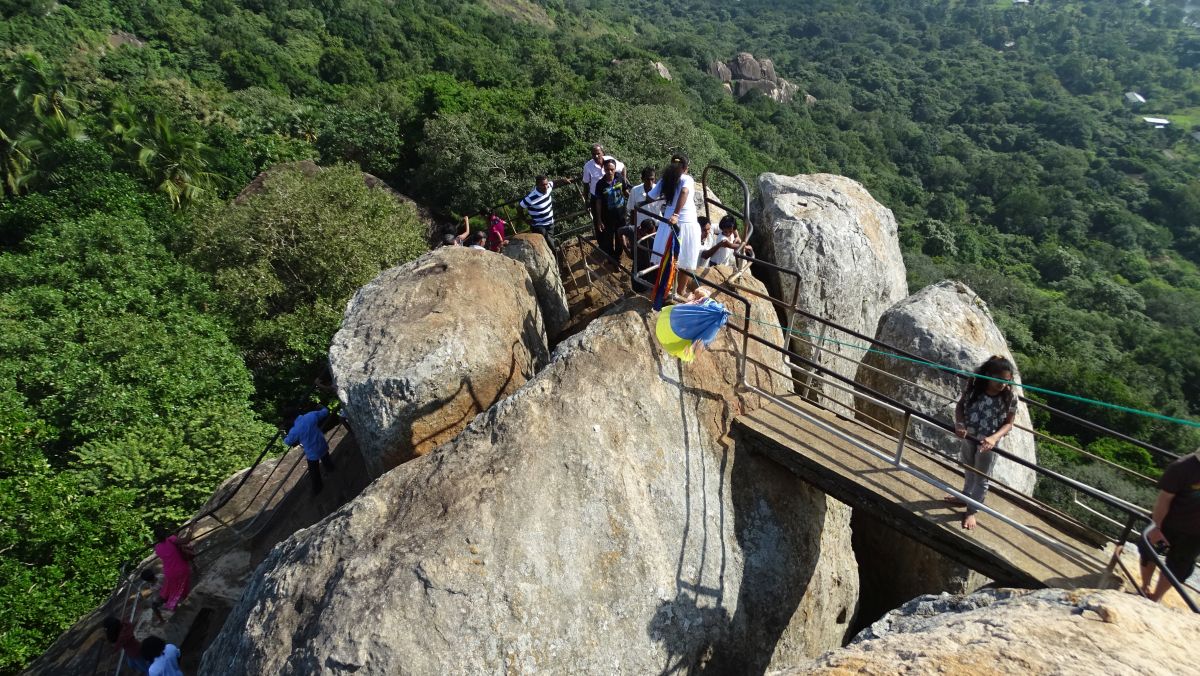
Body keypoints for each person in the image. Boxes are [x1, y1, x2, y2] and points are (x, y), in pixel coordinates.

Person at [944, 356, 1017, 530]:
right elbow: (961, 406)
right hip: (969, 436)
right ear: (987, 375)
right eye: (998, 379)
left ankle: (972, 510)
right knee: (968, 468)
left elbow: (1009, 424)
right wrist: (960, 423)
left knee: (982, 477)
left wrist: (993, 438)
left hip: (987, 443)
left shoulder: (1010, 397)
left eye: (1006, 381)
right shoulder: (975, 387)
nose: (1002, 384)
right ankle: (965, 496)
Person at [1137, 450, 1200, 602]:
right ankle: (1144, 587)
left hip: (1195, 533)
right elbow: (1164, 499)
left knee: (1179, 566)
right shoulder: (1183, 467)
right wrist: (1156, 527)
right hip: (1169, 523)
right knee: (1148, 552)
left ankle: (1156, 597)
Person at [647, 154, 701, 295]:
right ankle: (680, 291)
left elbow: (651, 196)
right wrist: (676, 214)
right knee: (686, 260)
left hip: (667, 224)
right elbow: (684, 191)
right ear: (685, 168)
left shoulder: (665, 179)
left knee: (666, 258)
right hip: (685, 223)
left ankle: (665, 289)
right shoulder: (687, 178)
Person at [284, 406, 336, 495]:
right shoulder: (311, 416)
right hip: (322, 445)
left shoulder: (294, 430)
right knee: (326, 458)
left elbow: (288, 442)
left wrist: (283, 433)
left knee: (314, 471)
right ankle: (331, 469)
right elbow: (325, 412)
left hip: (312, 452)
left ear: (289, 419)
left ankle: (318, 488)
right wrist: (321, 407)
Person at [151, 528, 193, 622]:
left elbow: (169, 550)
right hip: (181, 569)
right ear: (165, 533)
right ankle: (189, 605)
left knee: (174, 591)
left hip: (169, 573)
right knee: (184, 589)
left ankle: (174, 607)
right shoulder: (172, 539)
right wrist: (192, 526)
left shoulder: (157, 548)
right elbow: (187, 540)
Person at [593, 158, 630, 259]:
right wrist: (599, 220)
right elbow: (598, 202)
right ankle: (611, 258)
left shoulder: (620, 178)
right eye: (607, 169)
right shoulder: (600, 184)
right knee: (609, 239)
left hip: (621, 215)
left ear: (615, 169)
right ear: (604, 169)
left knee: (620, 238)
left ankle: (617, 258)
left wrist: (632, 199)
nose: (609, 172)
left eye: (612, 169)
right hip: (608, 217)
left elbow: (625, 191)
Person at [519, 175, 555, 246]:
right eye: (542, 185)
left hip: (550, 224)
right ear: (537, 185)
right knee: (550, 242)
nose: (545, 187)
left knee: (549, 242)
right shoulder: (531, 198)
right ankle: (557, 253)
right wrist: (525, 220)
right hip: (539, 225)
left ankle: (554, 254)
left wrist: (564, 180)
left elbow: (553, 183)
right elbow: (519, 207)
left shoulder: (548, 187)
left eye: (546, 184)